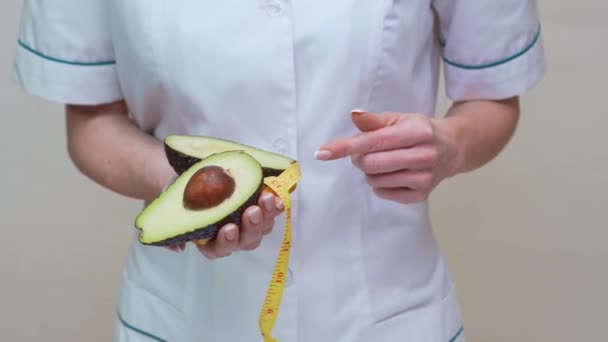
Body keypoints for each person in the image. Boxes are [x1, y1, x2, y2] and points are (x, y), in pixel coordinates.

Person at [12, 1, 544, 341]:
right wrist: (181, 194)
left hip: (386, 312)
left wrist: (450, 144)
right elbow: (90, 119)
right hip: (184, 316)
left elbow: (492, 96)